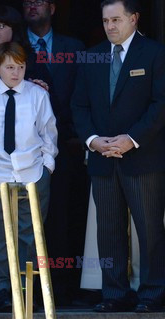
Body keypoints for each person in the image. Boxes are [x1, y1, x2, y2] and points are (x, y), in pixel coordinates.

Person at [71, 0, 165, 313]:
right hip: (102, 157)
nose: (110, 26)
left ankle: (153, 293)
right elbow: (79, 106)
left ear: (134, 19)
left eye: (116, 19)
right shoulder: (93, 55)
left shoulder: (154, 53)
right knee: (108, 231)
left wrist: (132, 139)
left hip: (143, 158)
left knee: (149, 229)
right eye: (106, 20)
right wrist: (93, 141)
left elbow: (160, 105)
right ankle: (114, 292)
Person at [0, 41, 58, 312]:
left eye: (20, 67)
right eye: (9, 67)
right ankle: (0, 291)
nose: (15, 73)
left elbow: (48, 134)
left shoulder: (37, 95)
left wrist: (47, 168)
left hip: (32, 171)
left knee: (30, 235)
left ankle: (27, 290)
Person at [22, 0, 89, 305]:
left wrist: (79, 135)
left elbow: (85, 92)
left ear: (53, 7)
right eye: (26, 2)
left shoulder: (73, 47)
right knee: (27, 220)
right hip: (23, 150)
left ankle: (63, 289)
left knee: (64, 218)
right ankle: (26, 290)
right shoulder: (15, 44)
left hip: (68, 146)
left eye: (38, 1)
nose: (31, 6)